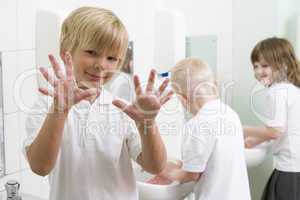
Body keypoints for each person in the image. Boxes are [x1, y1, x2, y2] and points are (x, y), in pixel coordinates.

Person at [23, 6, 173, 200]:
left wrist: (148, 124)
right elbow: (40, 167)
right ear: (65, 52)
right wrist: (60, 110)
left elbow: (155, 166)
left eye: (111, 58)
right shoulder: (46, 107)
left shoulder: (122, 108)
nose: (101, 64)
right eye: (92, 52)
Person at [148, 58, 251, 200]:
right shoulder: (231, 115)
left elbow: (192, 174)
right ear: (214, 84)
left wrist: (167, 172)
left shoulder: (196, 124)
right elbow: (212, 159)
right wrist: (179, 164)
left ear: (183, 99)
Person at [243, 37, 300, 200]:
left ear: (283, 65)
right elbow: (285, 130)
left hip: (288, 170)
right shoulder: (293, 90)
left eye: (265, 65)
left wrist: (242, 129)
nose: (258, 71)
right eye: (255, 66)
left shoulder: (276, 92)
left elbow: (275, 131)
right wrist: (256, 141)